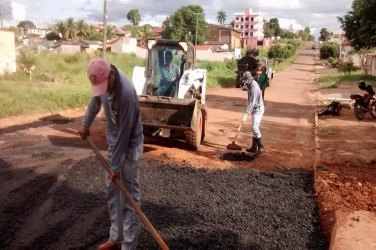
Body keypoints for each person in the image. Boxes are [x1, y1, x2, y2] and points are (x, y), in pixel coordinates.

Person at [78, 57, 144, 250]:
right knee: (113, 192)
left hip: (130, 146)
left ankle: (129, 246)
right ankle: (116, 239)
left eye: (105, 86)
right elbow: (95, 102)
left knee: (129, 196)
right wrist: (85, 123)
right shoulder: (103, 80)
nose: (104, 91)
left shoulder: (127, 95)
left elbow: (124, 135)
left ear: (112, 74)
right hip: (114, 144)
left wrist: (115, 167)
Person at [242, 71, 265, 154]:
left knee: (254, 127)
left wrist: (247, 112)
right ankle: (254, 147)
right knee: (254, 127)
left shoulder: (254, 88)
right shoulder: (251, 84)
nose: (245, 84)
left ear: (249, 80)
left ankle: (261, 146)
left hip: (258, 110)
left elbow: (252, 102)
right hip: (254, 109)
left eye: (245, 82)